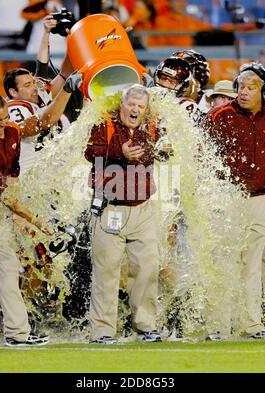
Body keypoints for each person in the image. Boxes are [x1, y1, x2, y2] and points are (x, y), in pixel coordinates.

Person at [84, 84, 172, 344]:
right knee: (106, 270)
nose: (135, 109)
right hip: (110, 206)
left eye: (140, 106)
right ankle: (102, 331)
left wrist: (166, 150)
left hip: (143, 208)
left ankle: (145, 326)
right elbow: (89, 151)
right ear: (121, 104)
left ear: (146, 110)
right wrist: (118, 153)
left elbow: (165, 151)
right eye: (131, 104)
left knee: (147, 267)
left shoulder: (153, 127)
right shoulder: (104, 124)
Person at [203, 63, 265, 339]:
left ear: (263, 90)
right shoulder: (219, 115)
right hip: (227, 195)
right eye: (241, 87)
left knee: (253, 263)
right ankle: (219, 325)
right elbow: (201, 153)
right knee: (224, 260)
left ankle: (251, 325)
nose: (244, 92)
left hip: (261, 197)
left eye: (251, 87)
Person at [0, 93, 52, 346]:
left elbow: (13, 175)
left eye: (5, 117)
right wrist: (35, 219)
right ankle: (17, 334)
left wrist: (16, 213)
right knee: (7, 268)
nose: (2, 124)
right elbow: (5, 198)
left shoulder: (12, 133)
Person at [3, 67, 81, 176]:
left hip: (50, 178)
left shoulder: (37, 101)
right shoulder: (14, 108)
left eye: (34, 82)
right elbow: (38, 125)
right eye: (27, 85)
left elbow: (64, 73)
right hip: (26, 182)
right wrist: (67, 90)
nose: (34, 87)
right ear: (13, 92)